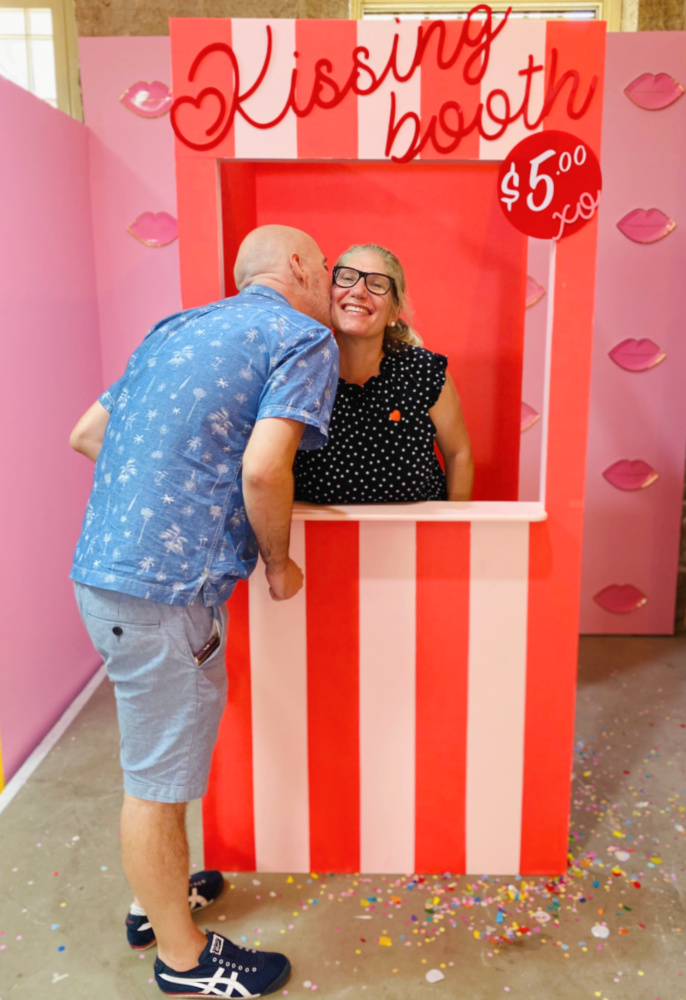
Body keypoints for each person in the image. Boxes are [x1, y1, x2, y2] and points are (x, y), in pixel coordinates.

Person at [69, 224, 338, 998]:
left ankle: (158, 904)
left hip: (103, 575)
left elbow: (89, 434)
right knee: (155, 781)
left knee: (159, 767)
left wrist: (171, 495)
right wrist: (279, 566)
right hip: (163, 599)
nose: (331, 283)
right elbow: (263, 468)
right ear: (296, 266)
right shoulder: (300, 337)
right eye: (325, 268)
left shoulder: (178, 327)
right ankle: (184, 961)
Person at [294, 243, 473, 504]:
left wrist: (455, 530)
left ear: (393, 311)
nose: (358, 291)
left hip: (417, 539)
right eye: (346, 278)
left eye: (377, 285)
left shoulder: (425, 373)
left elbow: (459, 454)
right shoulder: (300, 373)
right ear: (329, 296)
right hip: (320, 541)